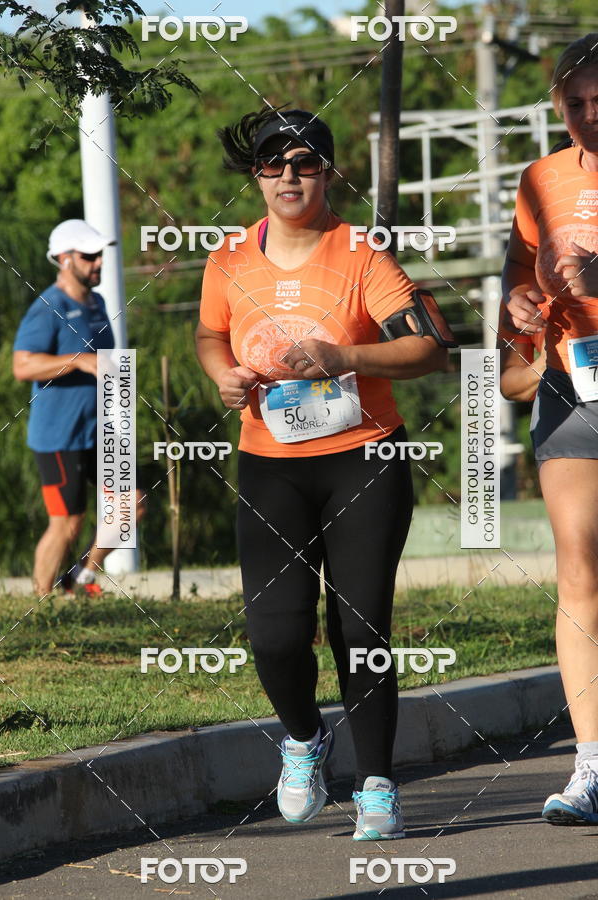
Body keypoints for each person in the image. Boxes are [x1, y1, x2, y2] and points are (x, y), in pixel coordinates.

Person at [196, 107, 450, 839]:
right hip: (270, 465)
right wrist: (224, 375)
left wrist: (348, 358)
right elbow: (211, 332)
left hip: (364, 460)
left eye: (305, 162)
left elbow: (430, 347)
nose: (288, 177)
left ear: (330, 171)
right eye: (273, 164)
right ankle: (306, 740)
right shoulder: (229, 258)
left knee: (359, 625)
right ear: (256, 175)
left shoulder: (362, 255)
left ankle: (377, 784)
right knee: (274, 635)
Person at [501, 34, 598, 825]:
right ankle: (592, 765)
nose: (591, 116)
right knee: (579, 569)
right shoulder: (539, 179)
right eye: (577, 105)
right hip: (575, 385)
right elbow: (515, 270)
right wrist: (520, 307)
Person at [12, 219, 145, 597]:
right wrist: (78, 361)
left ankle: (80, 578)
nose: (98, 263)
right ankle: (40, 605)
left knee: (131, 506)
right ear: (65, 259)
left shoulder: (99, 303)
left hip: (101, 430)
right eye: (89, 256)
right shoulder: (48, 307)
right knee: (67, 522)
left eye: (99, 255)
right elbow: (22, 365)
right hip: (58, 436)